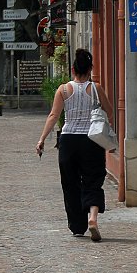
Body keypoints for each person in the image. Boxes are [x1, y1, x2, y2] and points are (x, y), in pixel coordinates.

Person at [36, 48, 111, 242]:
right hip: (91, 140)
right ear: (90, 69)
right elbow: (109, 112)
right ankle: (93, 218)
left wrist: (42, 139)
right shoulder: (97, 88)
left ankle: (78, 226)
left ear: (72, 69)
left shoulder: (63, 89)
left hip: (68, 140)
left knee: (70, 183)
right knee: (93, 180)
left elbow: (53, 116)